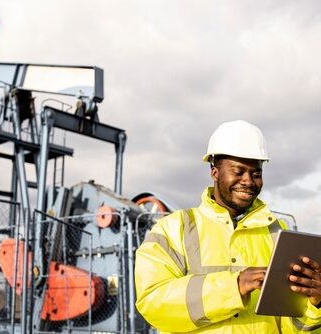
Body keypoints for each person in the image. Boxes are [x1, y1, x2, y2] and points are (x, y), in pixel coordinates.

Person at [135, 120, 321, 333]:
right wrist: (234, 286)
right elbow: (152, 302)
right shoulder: (173, 229)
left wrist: (315, 305)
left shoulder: (278, 234)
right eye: (238, 171)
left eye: (256, 173)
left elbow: (291, 327)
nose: (248, 181)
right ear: (215, 173)